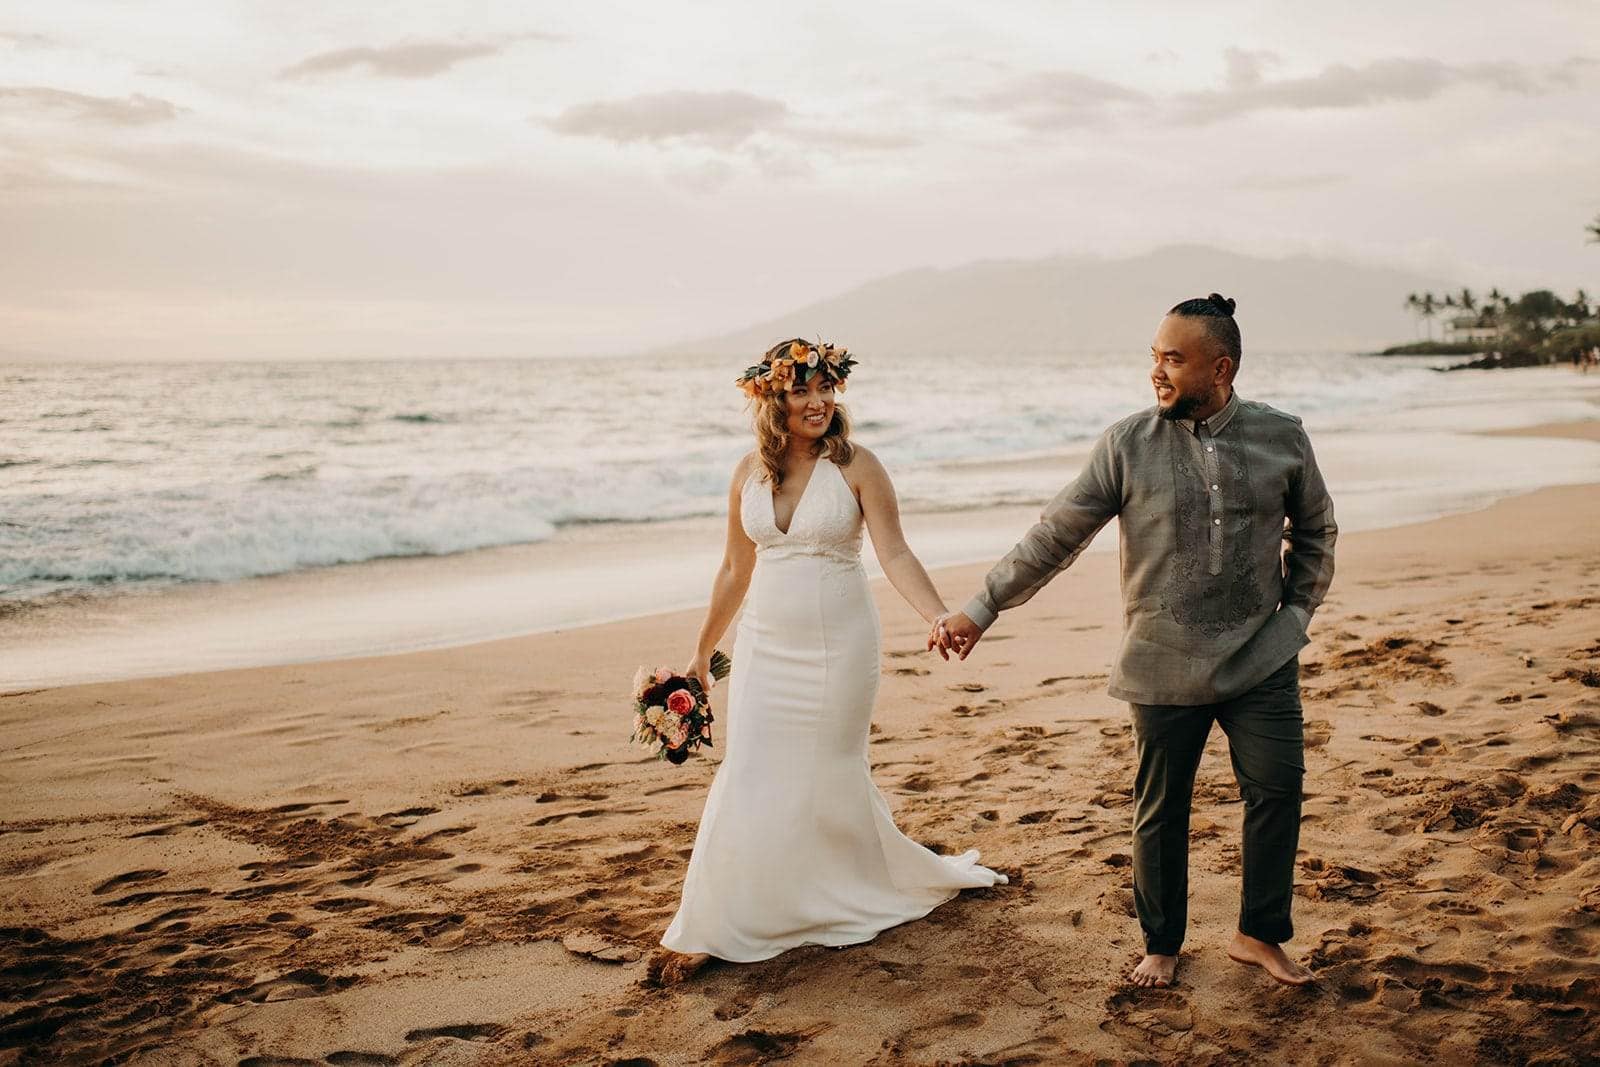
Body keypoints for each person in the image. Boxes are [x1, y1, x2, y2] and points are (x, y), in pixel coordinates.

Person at [934, 294, 1336, 989]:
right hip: (1160, 660)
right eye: (1154, 356)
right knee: (1161, 808)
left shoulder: (1282, 436)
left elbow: (1317, 530)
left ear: (1222, 367)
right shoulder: (1127, 445)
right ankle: (1162, 943)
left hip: (1263, 658)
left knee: (1277, 790)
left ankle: (1258, 934)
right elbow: (1055, 534)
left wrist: (1294, 616)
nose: (1157, 371)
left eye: (1173, 359)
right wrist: (982, 606)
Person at [648, 339, 1006, 984]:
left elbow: (895, 553)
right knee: (751, 768)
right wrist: (701, 656)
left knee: (829, 769)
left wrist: (934, 615)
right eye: (801, 391)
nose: (818, 402)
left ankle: (835, 890)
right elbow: (735, 567)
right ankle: (720, 918)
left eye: (825, 389)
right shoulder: (746, 474)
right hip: (765, 643)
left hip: (840, 644)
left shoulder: (858, 465)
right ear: (771, 398)